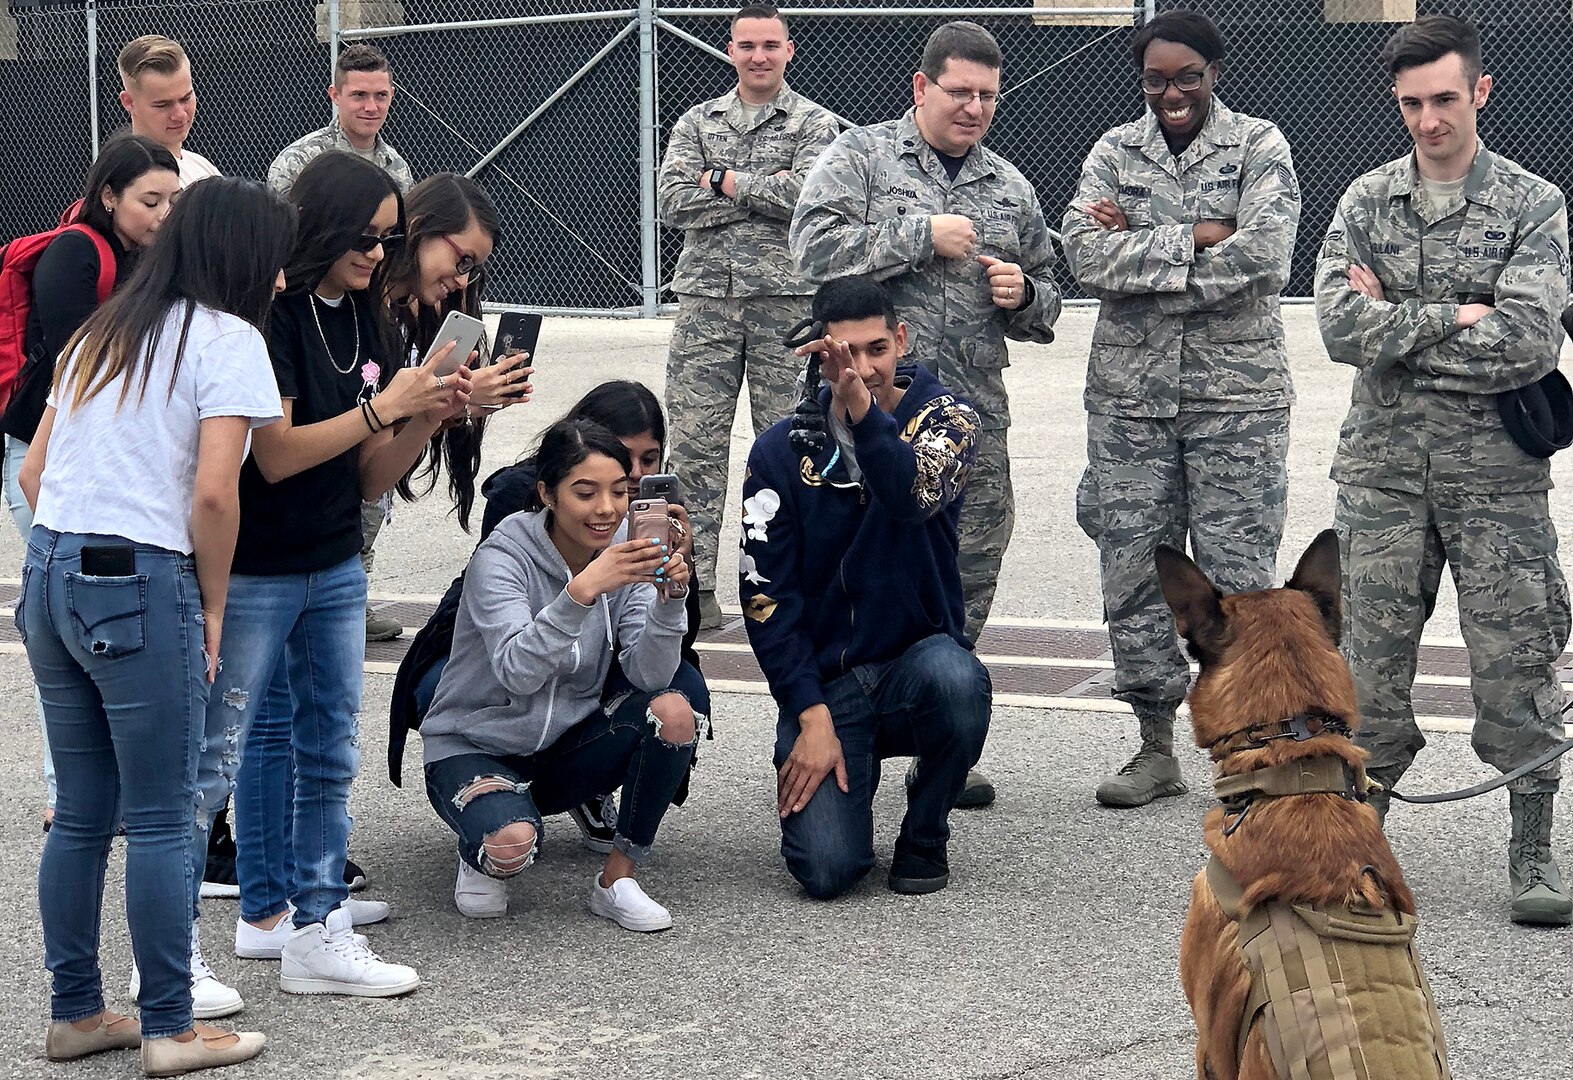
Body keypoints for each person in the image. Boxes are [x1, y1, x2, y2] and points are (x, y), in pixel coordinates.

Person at [18, 176, 289, 1074]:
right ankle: (171, 1026)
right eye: (274, 259)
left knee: (84, 815)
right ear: (243, 258)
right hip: (140, 577)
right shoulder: (230, 339)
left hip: (51, 568)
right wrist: (210, 604)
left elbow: (32, 476)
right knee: (168, 814)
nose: (281, 276)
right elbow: (215, 491)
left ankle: (77, 1013)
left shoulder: (104, 329)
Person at [189, 151, 469, 1005]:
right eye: (365, 236)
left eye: (389, 241)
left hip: (334, 558)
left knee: (324, 743)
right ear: (320, 225)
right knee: (232, 751)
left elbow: (367, 477)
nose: (378, 255)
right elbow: (272, 456)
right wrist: (386, 407)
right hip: (261, 564)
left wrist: (428, 414)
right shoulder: (265, 316)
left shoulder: (368, 320)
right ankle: (263, 916)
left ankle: (314, 921)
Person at [1315, 15, 1572, 927]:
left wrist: (1404, 328)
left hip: (1495, 480)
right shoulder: (1363, 201)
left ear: (1480, 93)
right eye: (1410, 103)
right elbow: (1339, 328)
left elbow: (1529, 338)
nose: (1427, 120)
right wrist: (1457, 315)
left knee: (1517, 668)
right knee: (1368, 672)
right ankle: (1358, 845)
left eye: (1443, 100)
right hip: (1382, 479)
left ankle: (1533, 843)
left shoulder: (1532, 204)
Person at [790, 19, 1060, 807]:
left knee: (964, 576)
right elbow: (809, 253)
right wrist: (918, 235)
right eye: (959, 92)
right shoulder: (859, 157)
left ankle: (943, 737)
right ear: (920, 87)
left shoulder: (1008, 185)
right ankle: (843, 727)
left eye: (987, 96)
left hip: (967, 420)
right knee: (850, 569)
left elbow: (1047, 291)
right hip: (858, 415)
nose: (973, 107)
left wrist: (1024, 294)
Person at [1060, 10, 1300, 809]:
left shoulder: (1259, 145)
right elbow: (1082, 255)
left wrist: (1144, 244)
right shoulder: (1109, 151)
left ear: (1212, 74)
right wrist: (1197, 234)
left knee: (1236, 582)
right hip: (1129, 402)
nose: (1172, 92)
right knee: (1133, 570)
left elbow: (1263, 256)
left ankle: (1244, 750)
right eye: (1156, 78)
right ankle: (1153, 746)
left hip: (1237, 401)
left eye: (1186, 76)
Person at [741, 275, 992, 899]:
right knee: (826, 872)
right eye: (844, 354)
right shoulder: (776, 452)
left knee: (958, 680)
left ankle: (926, 830)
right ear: (817, 353)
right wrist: (809, 712)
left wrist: (860, 411)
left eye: (876, 349)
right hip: (830, 686)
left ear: (901, 340)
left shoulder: (950, 422)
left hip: (916, 663)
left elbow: (910, 497)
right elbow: (764, 597)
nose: (864, 368)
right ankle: (844, 761)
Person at [389, 380, 706, 852]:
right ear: (548, 492)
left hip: (562, 722)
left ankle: (619, 871)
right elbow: (516, 670)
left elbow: (650, 672)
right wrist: (582, 591)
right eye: (587, 491)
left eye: (624, 485)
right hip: (482, 703)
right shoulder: (510, 534)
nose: (609, 504)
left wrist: (672, 594)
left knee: (677, 704)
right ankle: (486, 811)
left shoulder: (630, 538)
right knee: (508, 846)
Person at [1, 134, 181, 833]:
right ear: (110, 196)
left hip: (88, 459)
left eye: (173, 201)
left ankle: (92, 795)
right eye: (149, 201)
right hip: (39, 452)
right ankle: (67, 796)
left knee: (100, 629)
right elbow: (84, 366)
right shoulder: (79, 251)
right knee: (77, 625)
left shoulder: (140, 255)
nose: (163, 213)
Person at [658, 2, 840, 630]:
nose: (758, 56)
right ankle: (692, 585)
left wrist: (725, 181)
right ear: (729, 50)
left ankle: (786, 584)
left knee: (790, 447)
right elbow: (672, 202)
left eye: (770, 45)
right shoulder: (696, 121)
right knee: (693, 446)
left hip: (785, 307)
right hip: (707, 303)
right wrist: (763, 189)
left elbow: (810, 198)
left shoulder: (818, 125)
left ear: (789, 50)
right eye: (746, 45)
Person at [356, 172, 522, 644]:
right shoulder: (363, 305)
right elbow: (373, 412)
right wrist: (454, 405)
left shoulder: (426, 309)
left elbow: (402, 423)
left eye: (475, 267)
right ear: (419, 229)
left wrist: (465, 407)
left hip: (366, 486)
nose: (463, 277)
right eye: (461, 258)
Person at [267, 44, 413, 197]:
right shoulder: (298, 162)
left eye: (381, 95)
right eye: (359, 95)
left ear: (392, 95)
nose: (371, 107)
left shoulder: (397, 166)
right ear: (335, 95)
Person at [116, 35, 221, 187]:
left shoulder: (201, 166)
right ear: (129, 102)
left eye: (186, 98)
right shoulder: (130, 177)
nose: (180, 115)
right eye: (163, 105)